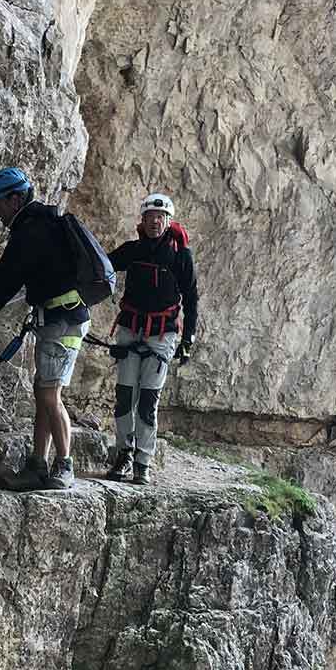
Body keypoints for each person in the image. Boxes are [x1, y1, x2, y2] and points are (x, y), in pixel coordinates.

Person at [0, 167, 90, 491]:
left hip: (62, 321)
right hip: (57, 318)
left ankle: (64, 466)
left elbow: (4, 280)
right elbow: (7, 279)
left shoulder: (32, 230)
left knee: (50, 394)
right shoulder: (39, 224)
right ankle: (37, 465)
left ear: (15, 198)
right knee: (43, 394)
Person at [103, 193, 199, 485]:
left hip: (162, 334)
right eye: (150, 217)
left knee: (147, 401)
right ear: (142, 221)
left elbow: (191, 297)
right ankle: (124, 455)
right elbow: (103, 265)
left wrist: (188, 338)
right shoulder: (133, 250)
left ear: (168, 222)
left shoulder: (181, 255)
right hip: (131, 330)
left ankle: (143, 461)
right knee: (124, 398)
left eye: (160, 217)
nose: (155, 221)